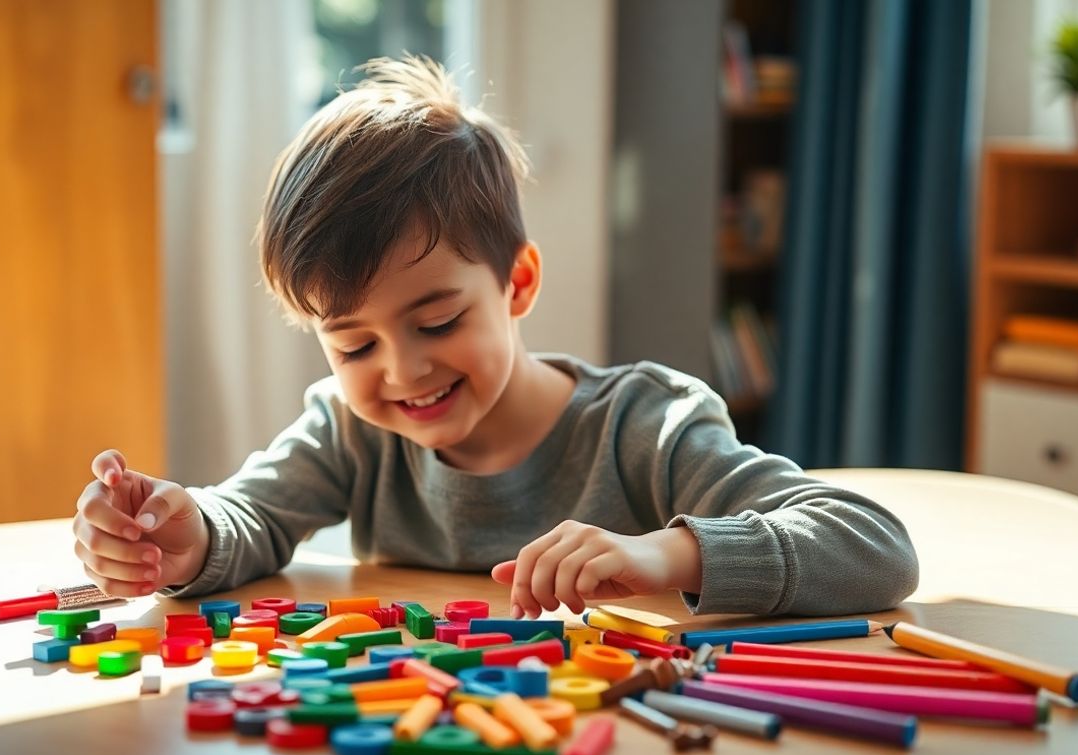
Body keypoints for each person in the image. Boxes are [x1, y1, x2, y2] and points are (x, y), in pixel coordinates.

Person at [73, 56, 917, 619]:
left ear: (516, 283)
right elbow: (249, 516)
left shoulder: (644, 425)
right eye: (354, 344)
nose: (402, 369)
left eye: (436, 321)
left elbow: (875, 546)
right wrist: (189, 536)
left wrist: (671, 554)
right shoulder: (349, 430)